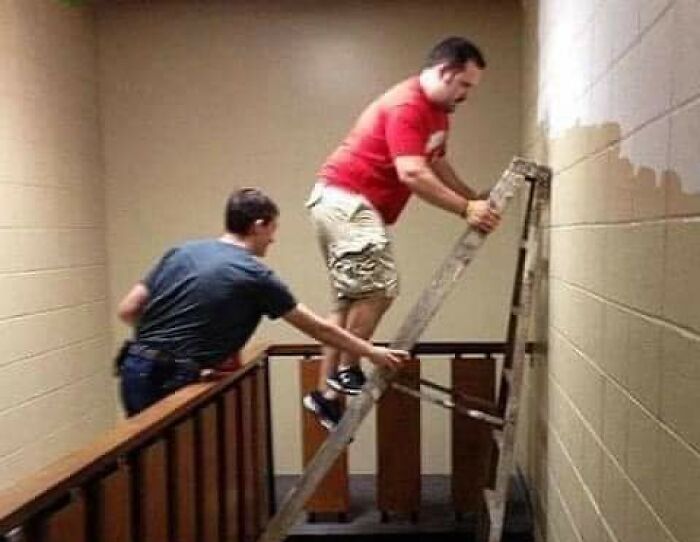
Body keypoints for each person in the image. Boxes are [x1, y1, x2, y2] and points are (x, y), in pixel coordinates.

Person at [303, 36, 501, 430]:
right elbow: (412, 173)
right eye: (464, 85)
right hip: (346, 199)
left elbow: (436, 164)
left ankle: (326, 396)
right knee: (379, 288)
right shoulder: (407, 105)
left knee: (350, 300)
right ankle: (346, 370)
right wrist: (465, 210)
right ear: (446, 72)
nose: (465, 95)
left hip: (344, 202)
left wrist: (471, 196)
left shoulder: (439, 113)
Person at [116, 187, 407, 418]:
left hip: (134, 366)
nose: (273, 239)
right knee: (178, 467)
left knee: (146, 462)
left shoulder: (182, 252)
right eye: (272, 230)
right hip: (176, 376)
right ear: (258, 226)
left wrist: (163, 344)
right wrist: (370, 352)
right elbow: (319, 330)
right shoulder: (254, 275)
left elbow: (128, 309)